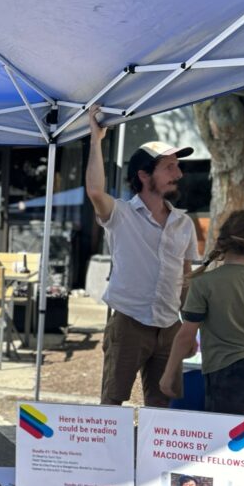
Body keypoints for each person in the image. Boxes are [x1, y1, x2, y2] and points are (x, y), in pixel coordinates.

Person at [86, 106, 199, 407]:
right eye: (169, 167)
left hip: (170, 327)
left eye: (177, 166)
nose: (179, 173)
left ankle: (148, 457)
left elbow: (186, 277)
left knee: (161, 405)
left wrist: (189, 327)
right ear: (144, 175)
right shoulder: (122, 213)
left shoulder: (183, 223)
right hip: (129, 323)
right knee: (112, 402)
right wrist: (96, 141)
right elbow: (96, 191)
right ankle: (107, 455)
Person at [160, 210, 244, 414]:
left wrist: (169, 373)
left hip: (227, 369)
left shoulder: (204, 283)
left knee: (224, 438)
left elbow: (186, 336)